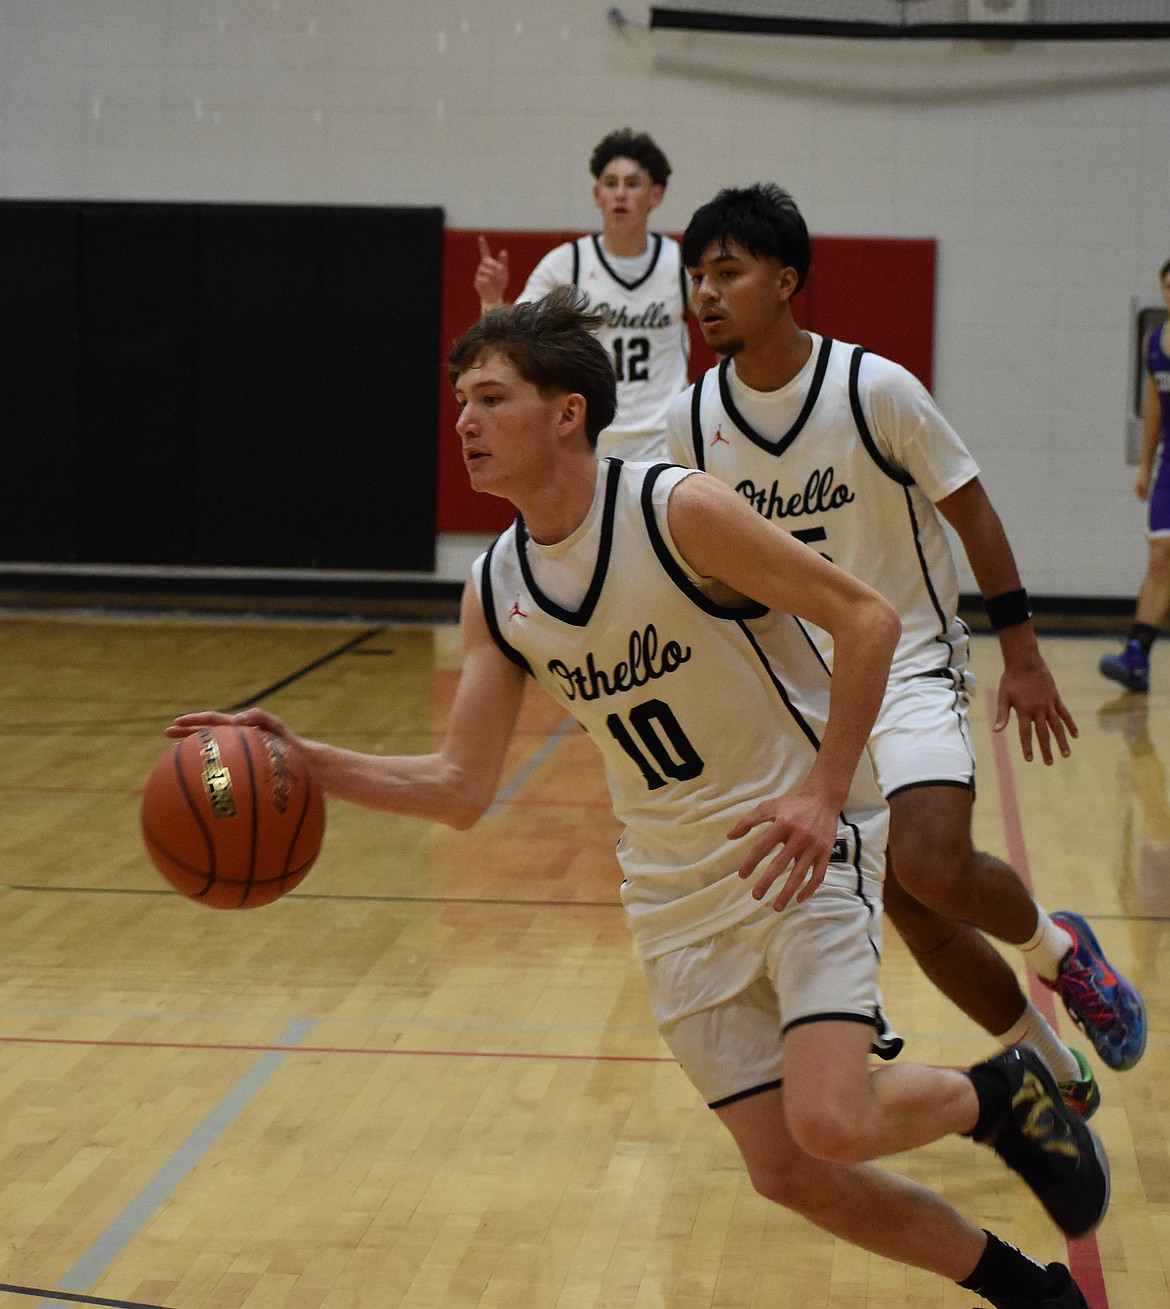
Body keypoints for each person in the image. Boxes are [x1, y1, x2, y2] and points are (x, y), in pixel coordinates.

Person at [170, 290, 1108, 1309]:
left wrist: (825, 790)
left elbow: (868, 618)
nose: (464, 424)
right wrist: (303, 758)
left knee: (831, 1117)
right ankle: (1031, 1291)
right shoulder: (496, 587)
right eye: (460, 404)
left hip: (793, 844)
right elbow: (459, 788)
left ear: (567, 411)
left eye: (490, 398)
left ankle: (1001, 1097)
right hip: (672, 894)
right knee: (787, 1170)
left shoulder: (676, 510)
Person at [664, 184, 1148, 1110]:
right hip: (802, 697)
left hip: (910, 663)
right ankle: (1052, 1063)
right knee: (919, 917)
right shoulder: (693, 422)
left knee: (931, 860)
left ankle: (1061, 950)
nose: (706, 293)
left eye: (728, 271)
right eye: (697, 276)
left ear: (787, 279)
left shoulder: (873, 388)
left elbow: (973, 510)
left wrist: (1027, 653)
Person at [473, 128, 689, 462]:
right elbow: (510, 341)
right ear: (597, 194)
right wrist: (492, 298)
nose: (620, 194)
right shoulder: (567, 263)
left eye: (632, 184)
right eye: (611, 183)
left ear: (655, 195)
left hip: (665, 440)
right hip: (591, 438)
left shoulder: (680, 264)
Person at [1099, 257, 1170, 693]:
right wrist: (1144, 465)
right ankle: (1137, 654)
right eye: (1168, 287)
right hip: (1169, 464)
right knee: (1160, 558)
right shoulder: (1156, 341)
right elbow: (1153, 408)